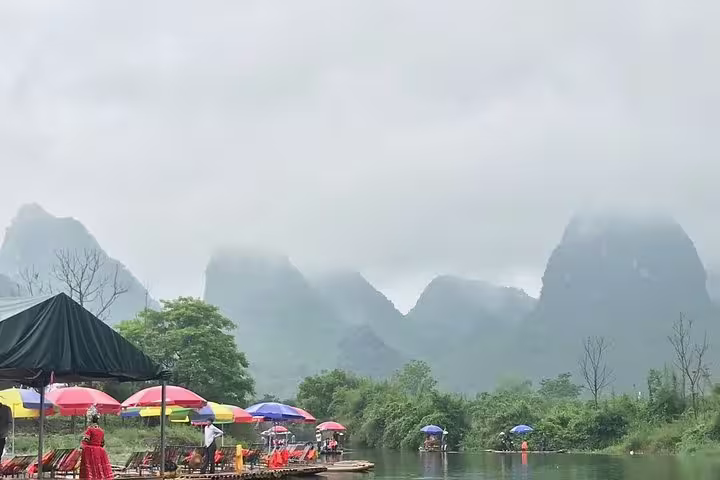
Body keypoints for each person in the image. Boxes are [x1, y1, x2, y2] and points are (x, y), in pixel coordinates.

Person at [79, 406, 113, 479]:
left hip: (90, 451)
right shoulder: (101, 431)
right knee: (99, 466)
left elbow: (86, 440)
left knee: (90, 466)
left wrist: (82, 446)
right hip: (100, 451)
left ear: (91, 421)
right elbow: (102, 443)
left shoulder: (90, 429)